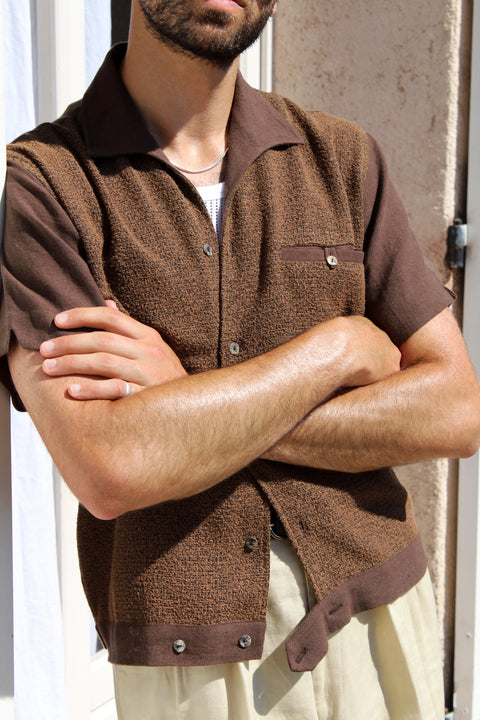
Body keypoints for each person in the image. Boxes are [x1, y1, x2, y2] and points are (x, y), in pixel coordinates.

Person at [2, 1, 480, 718]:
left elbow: (455, 410)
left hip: (380, 617)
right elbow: (110, 466)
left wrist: (184, 399)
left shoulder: (343, 159)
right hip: (193, 666)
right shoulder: (43, 186)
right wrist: (338, 349)